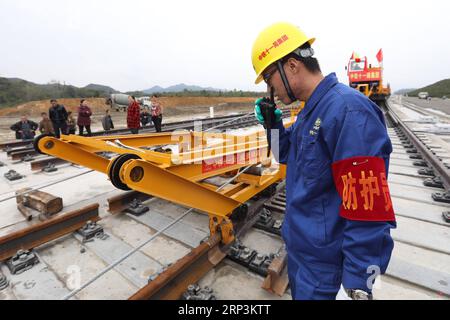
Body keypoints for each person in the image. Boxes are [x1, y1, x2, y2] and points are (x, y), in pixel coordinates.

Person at [252, 22, 396, 300]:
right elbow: (285, 154)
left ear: (292, 66)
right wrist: (272, 125)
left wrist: (357, 286)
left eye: (270, 80)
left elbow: (369, 210)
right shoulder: (310, 113)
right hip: (304, 262)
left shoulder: (348, 112)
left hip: (329, 276)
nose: (271, 91)